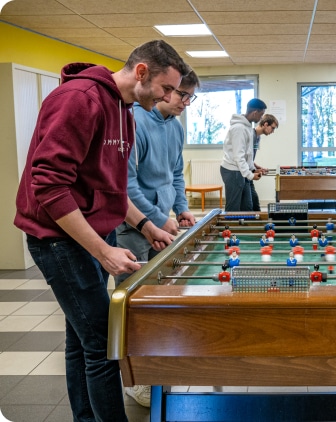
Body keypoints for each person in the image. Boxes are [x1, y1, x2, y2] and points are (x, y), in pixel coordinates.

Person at [13, 40, 189, 422]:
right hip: (59, 240)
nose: (170, 98)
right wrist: (101, 250)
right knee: (103, 343)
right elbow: (49, 185)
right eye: (167, 88)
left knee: (82, 340)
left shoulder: (123, 108)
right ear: (141, 72)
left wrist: (145, 226)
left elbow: (111, 188)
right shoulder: (78, 98)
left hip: (95, 233)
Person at [115, 70, 200, 287]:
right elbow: (127, 187)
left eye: (191, 97)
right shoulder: (134, 122)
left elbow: (176, 174)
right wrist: (158, 219)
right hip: (133, 224)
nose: (187, 103)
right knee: (133, 288)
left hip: (160, 217)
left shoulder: (176, 127)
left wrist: (181, 208)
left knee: (158, 283)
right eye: (183, 95)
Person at [220, 98, 267, 211]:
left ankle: (245, 228)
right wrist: (250, 175)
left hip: (240, 171)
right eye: (261, 115)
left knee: (247, 207)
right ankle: (229, 228)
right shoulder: (239, 128)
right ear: (255, 112)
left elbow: (248, 154)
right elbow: (238, 156)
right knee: (234, 208)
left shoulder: (247, 127)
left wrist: (253, 169)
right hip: (232, 171)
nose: (261, 118)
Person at [250, 114, 279, 210]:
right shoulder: (251, 135)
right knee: (248, 205)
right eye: (273, 128)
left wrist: (257, 167)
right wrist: (253, 171)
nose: (273, 132)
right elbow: (241, 157)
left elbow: (249, 158)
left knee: (255, 202)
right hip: (241, 172)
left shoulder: (258, 137)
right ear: (266, 124)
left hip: (247, 171)